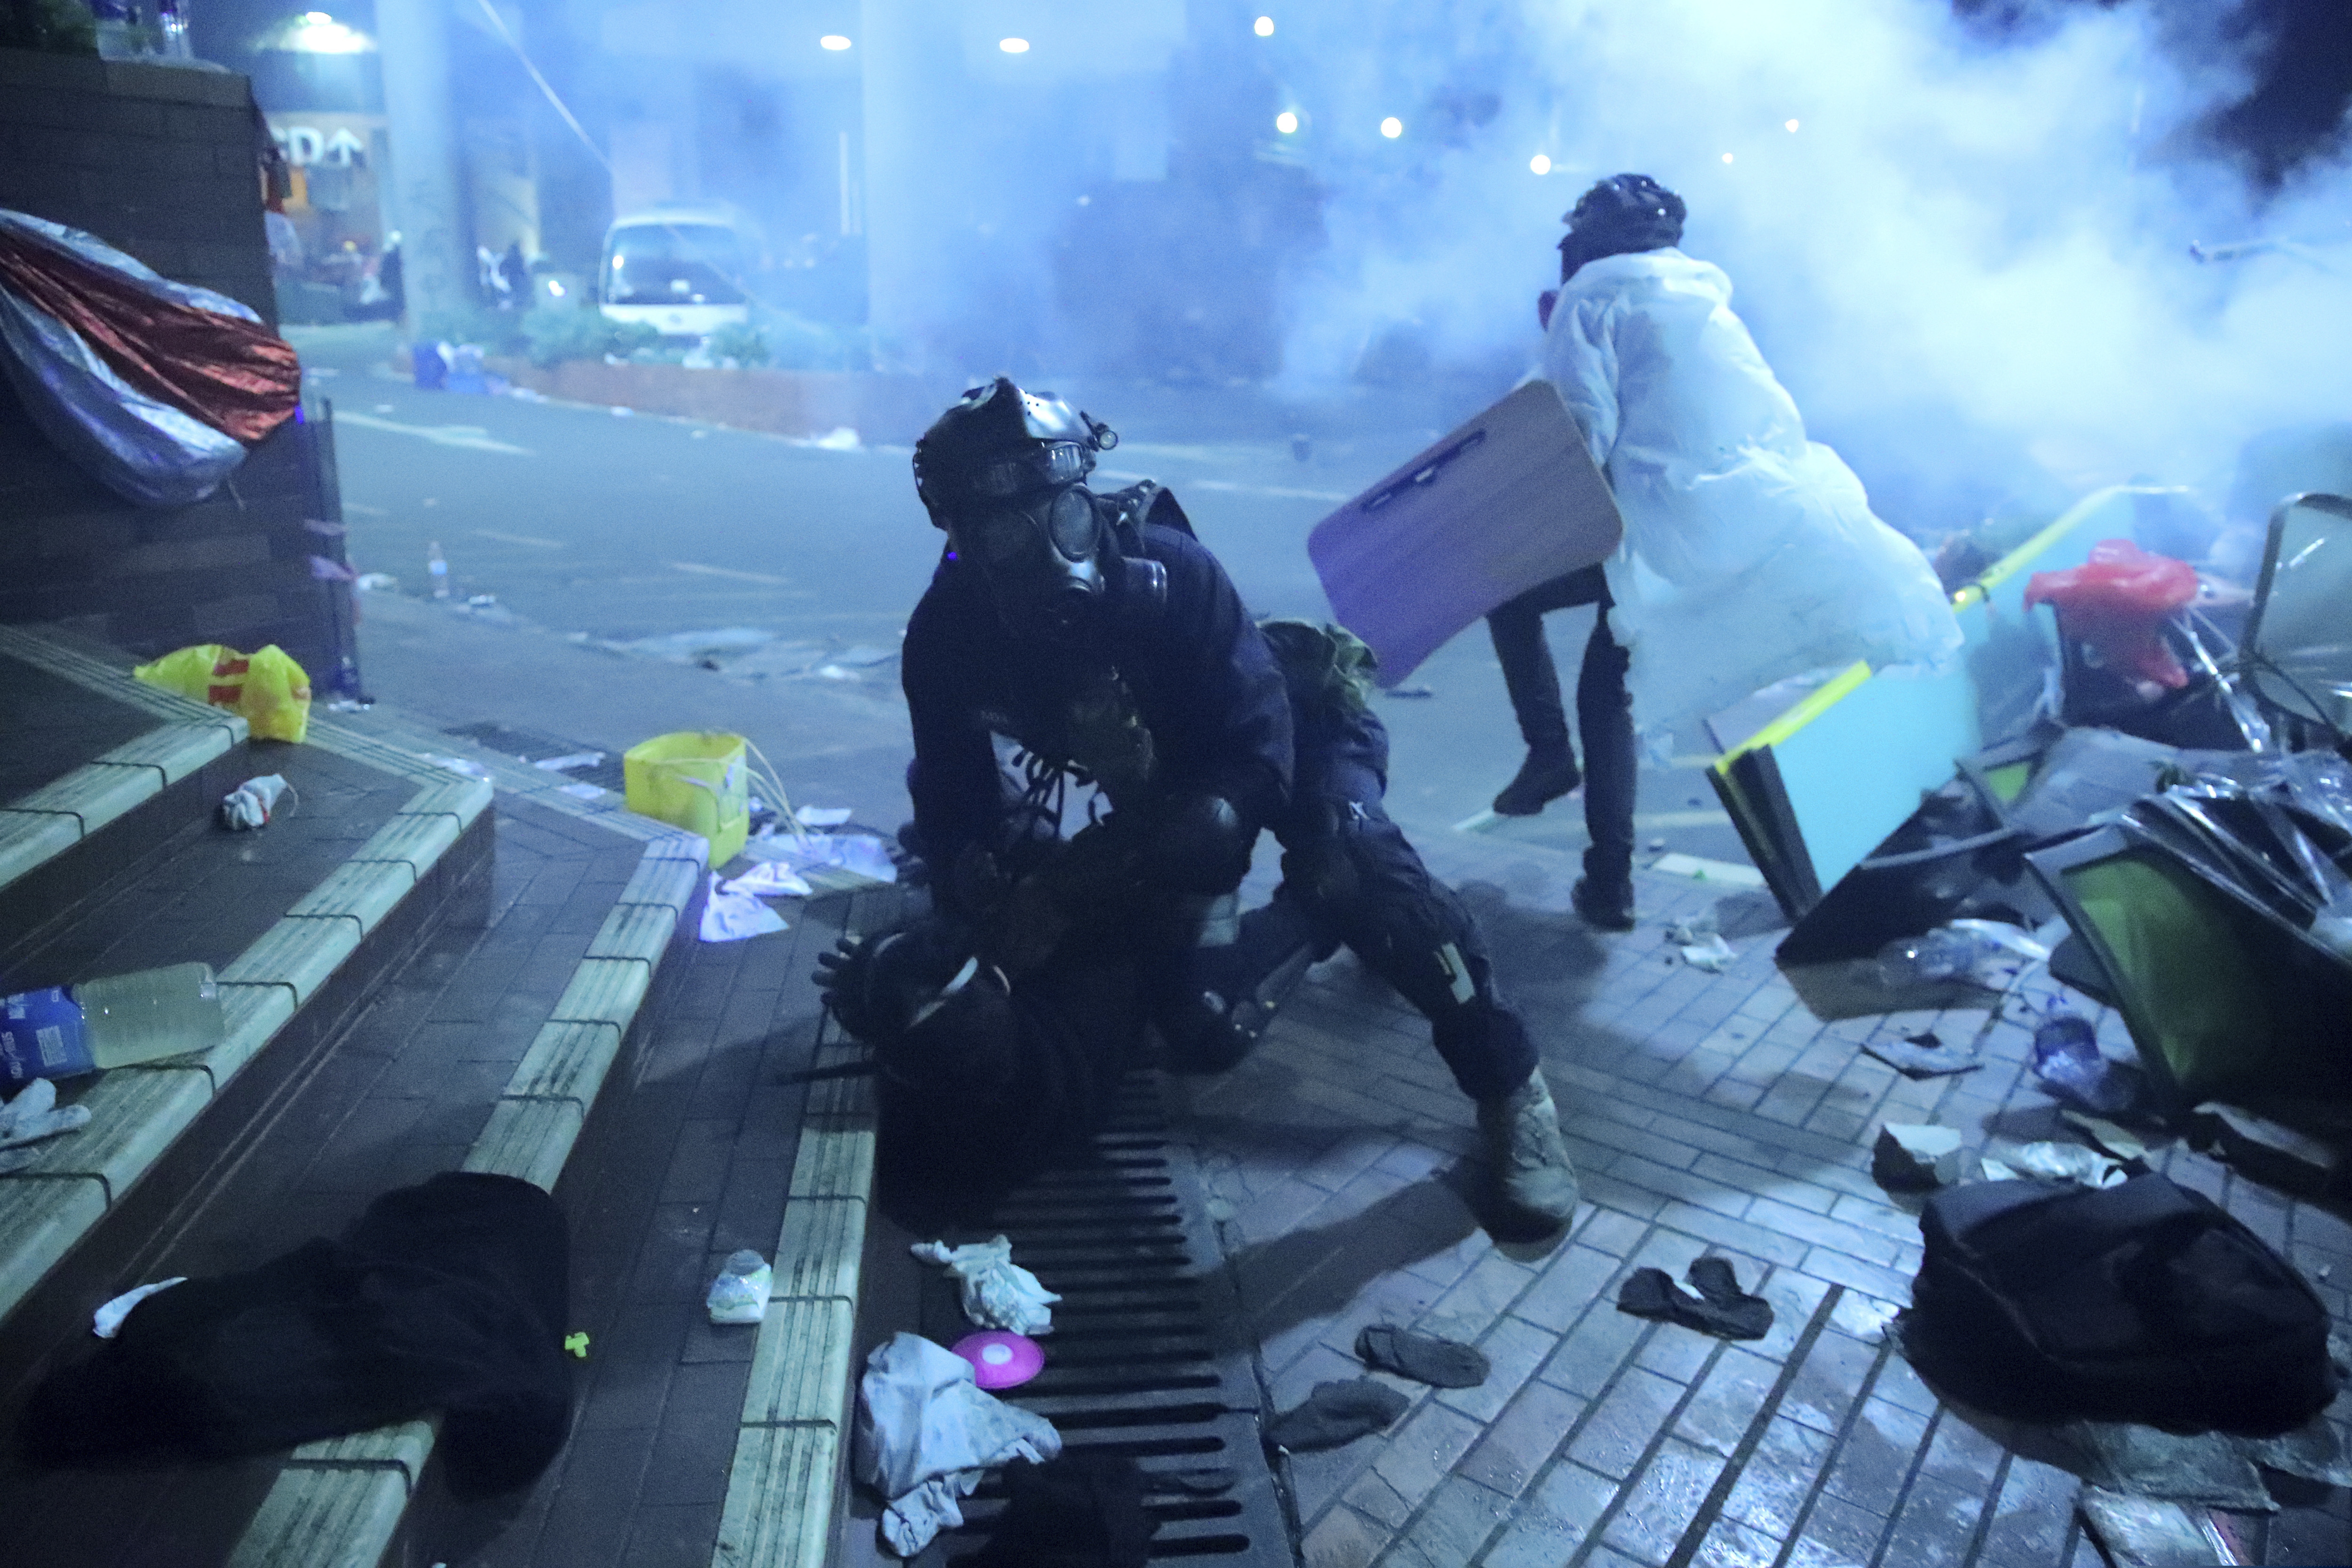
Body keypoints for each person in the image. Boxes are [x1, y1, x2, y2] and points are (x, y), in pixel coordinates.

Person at [881, 378, 1580, 1227]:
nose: (1045, 547)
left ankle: (1511, 1085)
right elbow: (955, 803)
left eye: (1060, 513)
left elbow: (1251, 773)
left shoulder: (1172, 573)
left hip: (1290, 738)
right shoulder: (949, 637)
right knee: (1203, 1031)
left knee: (1352, 851)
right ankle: (1315, 914)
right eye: (1001, 528)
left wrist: (1070, 887)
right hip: (1167, 803)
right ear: (958, 536)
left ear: (1084, 496)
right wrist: (976, 921)